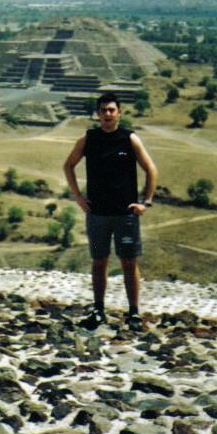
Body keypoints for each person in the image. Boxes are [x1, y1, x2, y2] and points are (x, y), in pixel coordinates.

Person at [63, 91, 157, 331]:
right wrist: (78, 197)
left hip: (126, 213)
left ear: (119, 113)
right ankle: (98, 310)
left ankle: (134, 312)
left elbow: (151, 169)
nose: (107, 114)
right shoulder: (89, 138)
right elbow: (68, 165)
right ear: (97, 114)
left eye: (111, 110)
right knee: (99, 262)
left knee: (128, 262)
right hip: (98, 213)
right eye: (103, 110)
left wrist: (145, 202)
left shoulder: (130, 139)